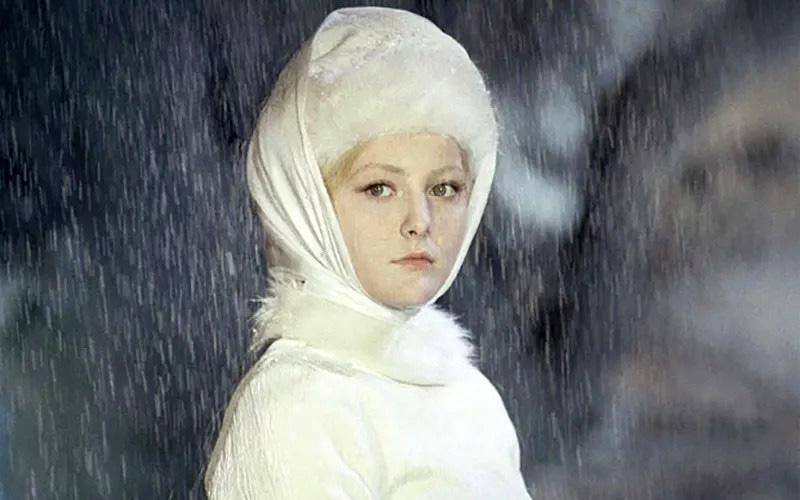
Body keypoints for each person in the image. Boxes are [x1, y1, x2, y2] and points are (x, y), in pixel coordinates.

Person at [204, 6, 532, 499]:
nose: (420, 220)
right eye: (379, 188)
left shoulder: (473, 399)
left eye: (443, 188)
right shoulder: (295, 406)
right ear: (309, 204)